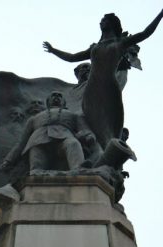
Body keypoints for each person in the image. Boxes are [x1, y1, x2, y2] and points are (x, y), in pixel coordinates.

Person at [43, 10, 163, 149]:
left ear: (112, 23)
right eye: (101, 21)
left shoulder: (121, 42)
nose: (101, 22)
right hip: (92, 89)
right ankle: (93, 151)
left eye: (104, 20)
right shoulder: (95, 47)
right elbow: (72, 58)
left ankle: (112, 151)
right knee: (90, 120)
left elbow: (145, 33)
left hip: (110, 86)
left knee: (114, 121)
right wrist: (53, 50)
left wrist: (160, 14)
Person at [1, 91, 102, 172]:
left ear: (64, 102)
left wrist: (89, 136)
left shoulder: (73, 115)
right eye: (53, 95)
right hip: (38, 141)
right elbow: (21, 143)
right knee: (36, 166)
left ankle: (79, 169)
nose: (56, 97)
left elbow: (84, 129)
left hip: (65, 139)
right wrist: (8, 160)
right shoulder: (34, 118)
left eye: (59, 96)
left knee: (73, 143)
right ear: (48, 102)